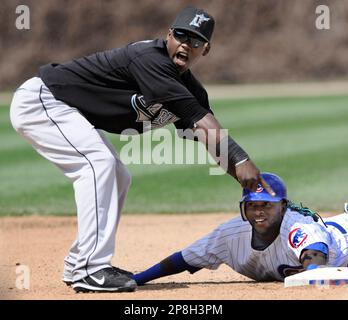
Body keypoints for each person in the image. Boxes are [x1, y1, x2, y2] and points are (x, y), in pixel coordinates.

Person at [9, 6, 271, 293]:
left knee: (119, 175)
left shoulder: (190, 89)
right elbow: (202, 120)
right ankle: (89, 269)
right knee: (99, 165)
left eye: (195, 41)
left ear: (205, 50)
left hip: (64, 109)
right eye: (181, 35)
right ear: (169, 35)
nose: (186, 43)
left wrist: (252, 188)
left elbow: (208, 139)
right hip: (43, 100)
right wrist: (242, 158)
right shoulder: (150, 59)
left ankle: (79, 264)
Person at [132, 172, 348, 285]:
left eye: (267, 205)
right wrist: (138, 278)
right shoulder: (230, 234)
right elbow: (183, 259)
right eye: (253, 206)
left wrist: (313, 273)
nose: (259, 211)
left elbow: (315, 255)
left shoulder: (298, 226)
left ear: (283, 206)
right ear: (243, 208)